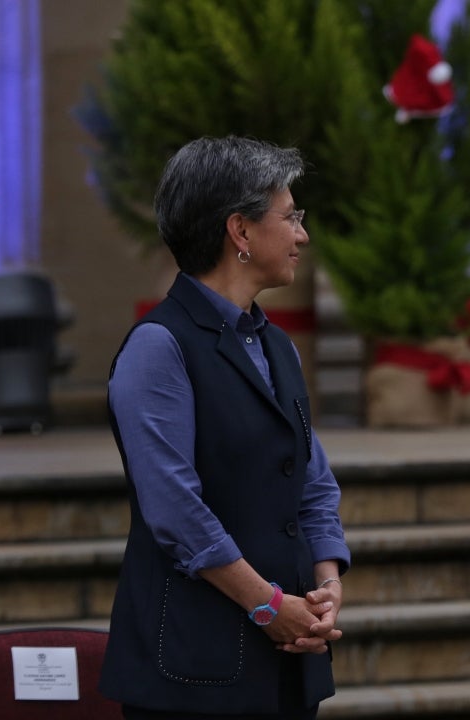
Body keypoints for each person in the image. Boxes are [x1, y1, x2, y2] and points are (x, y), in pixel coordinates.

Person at [99, 136, 351, 719]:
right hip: (193, 670)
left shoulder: (277, 344)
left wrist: (327, 580)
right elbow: (175, 511)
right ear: (240, 232)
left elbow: (311, 479)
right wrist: (267, 607)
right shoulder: (159, 348)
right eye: (291, 217)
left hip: (287, 658)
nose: (302, 235)